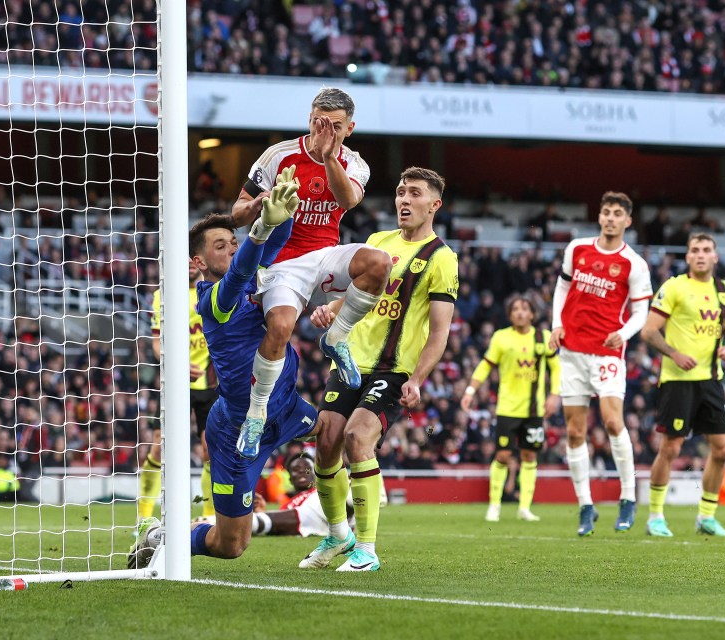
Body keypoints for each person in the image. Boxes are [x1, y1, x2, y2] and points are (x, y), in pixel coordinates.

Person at [129, 169, 322, 566]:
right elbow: (242, 267)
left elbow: (272, 248)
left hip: (282, 406)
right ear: (198, 261)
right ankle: (163, 535)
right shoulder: (214, 298)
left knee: (344, 430)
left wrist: (282, 216)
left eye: (234, 242)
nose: (232, 250)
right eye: (221, 246)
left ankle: (343, 532)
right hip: (236, 431)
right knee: (231, 545)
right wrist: (261, 228)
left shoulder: (251, 271)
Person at [300, 167, 457, 572]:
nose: (404, 200)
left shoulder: (441, 258)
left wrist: (418, 379)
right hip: (351, 360)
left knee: (357, 438)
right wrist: (330, 309)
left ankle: (366, 550)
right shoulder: (376, 243)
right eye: (401, 192)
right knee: (327, 443)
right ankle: (338, 534)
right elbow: (359, 295)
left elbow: (439, 332)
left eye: (415, 194)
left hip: (394, 368)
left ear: (433, 205)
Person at [229, 87, 391, 459]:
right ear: (309, 120)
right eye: (321, 123)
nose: (327, 132)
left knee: (380, 263)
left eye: (336, 126)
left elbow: (347, 200)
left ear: (350, 128)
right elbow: (236, 212)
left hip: (325, 256)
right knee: (281, 329)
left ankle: (337, 337)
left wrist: (329, 157)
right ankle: (256, 413)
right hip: (283, 263)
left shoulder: (353, 162)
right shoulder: (279, 155)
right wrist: (258, 204)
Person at [547, 191, 652, 536]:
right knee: (575, 431)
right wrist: (556, 325)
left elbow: (641, 311)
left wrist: (624, 333)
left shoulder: (634, 263)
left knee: (611, 421)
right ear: (600, 216)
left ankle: (627, 498)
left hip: (606, 352)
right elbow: (562, 289)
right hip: (572, 350)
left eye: (617, 213)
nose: (609, 218)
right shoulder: (577, 248)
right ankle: (586, 507)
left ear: (627, 221)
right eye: (605, 212)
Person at [640, 232, 725, 537]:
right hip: (677, 380)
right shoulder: (674, 287)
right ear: (687, 257)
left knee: (722, 450)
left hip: (711, 380)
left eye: (706, 249)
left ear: (715, 256)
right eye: (695, 250)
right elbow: (649, 331)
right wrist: (674, 353)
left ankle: (706, 516)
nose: (700, 254)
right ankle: (655, 516)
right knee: (670, 448)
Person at [461, 296, 561, 523]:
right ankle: (494, 505)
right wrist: (470, 391)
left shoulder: (543, 338)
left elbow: (556, 368)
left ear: (533, 314)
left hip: (534, 410)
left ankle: (524, 507)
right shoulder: (501, 337)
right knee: (503, 455)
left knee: (529, 455)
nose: (520, 313)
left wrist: (554, 395)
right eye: (515, 309)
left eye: (525, 309)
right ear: (509, 315)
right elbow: (486, 364)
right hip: (507, 408)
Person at [137, 258, 218, 524]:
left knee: (211, 448)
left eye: (192, 260)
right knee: (159, 448)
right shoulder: (163, 295)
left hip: (211, 383)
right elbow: (157, 345)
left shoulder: (215, 291)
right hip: (174, 382)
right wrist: (179, 363)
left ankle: (208, 515)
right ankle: (144, 519)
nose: (188, 266)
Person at [250, 452, 356, 538]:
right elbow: (282, 524)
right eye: (296, 469)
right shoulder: (288, 506)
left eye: (307, 468)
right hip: (312, 520)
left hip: (329, 504)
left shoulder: (319, 492)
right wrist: (262, 512)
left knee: (345, 493)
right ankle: (240, 522)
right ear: (290, 479)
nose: (301, 471)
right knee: (257, 522)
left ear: (314, 473)